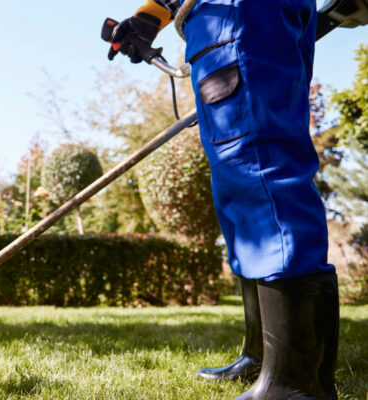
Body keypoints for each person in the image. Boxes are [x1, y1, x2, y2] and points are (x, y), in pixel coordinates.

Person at [107, 1, 339, 399]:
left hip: (237, 13)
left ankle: (294, 382)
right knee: (239, 183)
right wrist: (150, 17)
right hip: (228, 18)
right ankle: (264, 358)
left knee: (257, 166)